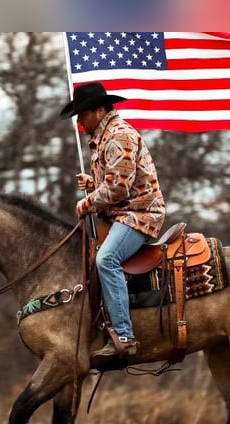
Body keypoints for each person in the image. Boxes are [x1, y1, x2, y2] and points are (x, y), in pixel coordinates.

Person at [60, 82, 166, 359]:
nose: (80, 122)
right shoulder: (105, 138)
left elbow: (119, 189)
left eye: (82, 115)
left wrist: (87, 201)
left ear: (99, 110)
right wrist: (93, 182)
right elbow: (118, 179)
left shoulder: (119, 136)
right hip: (121, 213)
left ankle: (124, 335)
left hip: (139, 215)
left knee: (106, 259)